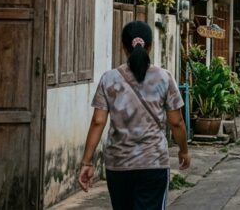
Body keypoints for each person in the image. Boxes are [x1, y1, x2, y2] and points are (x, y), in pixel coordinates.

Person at [77, 22, 190, 210]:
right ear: (150, 46)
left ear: (123, 46)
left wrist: (86, 162)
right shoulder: (164, 77)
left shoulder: (109, 78)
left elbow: (98, 121)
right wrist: (183, 150)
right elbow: (176, 122)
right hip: (153, 164)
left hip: (118, 165)